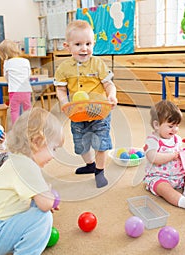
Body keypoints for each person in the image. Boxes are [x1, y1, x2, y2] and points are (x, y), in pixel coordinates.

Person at [0, 107, 64, 255]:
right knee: (43, 218)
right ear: (37, 142)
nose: (54, 156)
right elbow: (46, 205)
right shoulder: (27, 168)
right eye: (53, 148)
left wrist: (42, 196)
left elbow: (35, 199)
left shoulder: (16, 160)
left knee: (37, 208)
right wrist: (48, 195)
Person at [54, 20, 118, 189]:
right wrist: (64, 102)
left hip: (99, 111)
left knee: (101, 142)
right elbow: (60, 90)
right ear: (67, 46)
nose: (84, 48)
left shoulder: (98, 64)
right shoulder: (63, 68)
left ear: (93, 44)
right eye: (78, 44)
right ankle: (90, 164)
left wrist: (111, 95)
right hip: (77, 112)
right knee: (80, 144)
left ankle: (99, 171)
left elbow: (109, 84)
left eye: (88, 44)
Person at [143, 100, 185, 210]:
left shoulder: (176, 139)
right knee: (164, 189)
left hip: (178, 175)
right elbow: (153, 157)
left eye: (177, 125)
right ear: (156, 125)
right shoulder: (153, 140)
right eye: (171, 126)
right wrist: (172, 156)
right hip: (159, 177)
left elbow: (179, 152)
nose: (175, 129)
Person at [0, 39, 32, 124]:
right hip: (26, 90)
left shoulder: (7, 63)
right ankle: (30, 127)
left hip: (14, 91)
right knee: (28, 110)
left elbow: (6, 77)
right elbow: (28, 74)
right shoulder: (25, 61)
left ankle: (16, 129)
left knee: (14, 111)